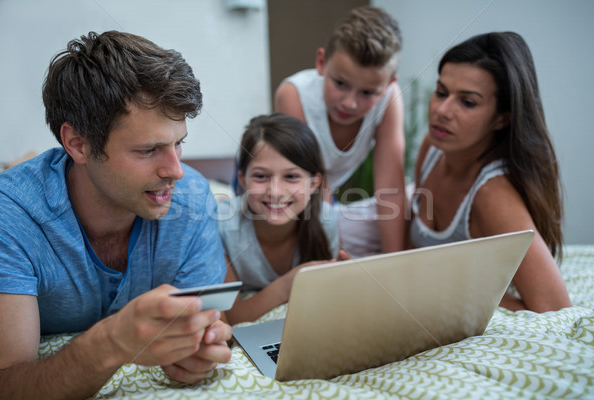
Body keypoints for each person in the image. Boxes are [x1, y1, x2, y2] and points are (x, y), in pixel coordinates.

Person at [0, 31, 232, 399]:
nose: (176, 171)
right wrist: (110, 343)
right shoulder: (9, 216)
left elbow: (208, 329)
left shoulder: (194, 199)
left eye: (178, 144)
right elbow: (4, 384)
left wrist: (201, 351)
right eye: (149, 149)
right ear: (78, 144)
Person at [409, 32, 572, 312]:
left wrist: (441, 288)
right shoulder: (434, 147)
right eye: (441, 92)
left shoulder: (492, 194)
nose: (442, 111)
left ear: (502, 118)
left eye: (467, 102)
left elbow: (555, 309)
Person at [274, 5, 407, 257]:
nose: (350, 103)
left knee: (409, 203)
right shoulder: (293, 94)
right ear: (321, 62)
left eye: (368, 93)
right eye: (340, 84)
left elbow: (391, 188)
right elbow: (313, 182)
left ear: (389, 84)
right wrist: (335, 255)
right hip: (290, 187)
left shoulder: (390, 99)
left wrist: (395, 264)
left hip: (324, 199)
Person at [219, 113, 348, 324]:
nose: (276, 192)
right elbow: (233, 316)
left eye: (291, 176)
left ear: (314, 183)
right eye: (261, 176)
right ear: (242, 180)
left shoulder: (326, 221)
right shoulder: (221, 227)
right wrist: (291, 283)